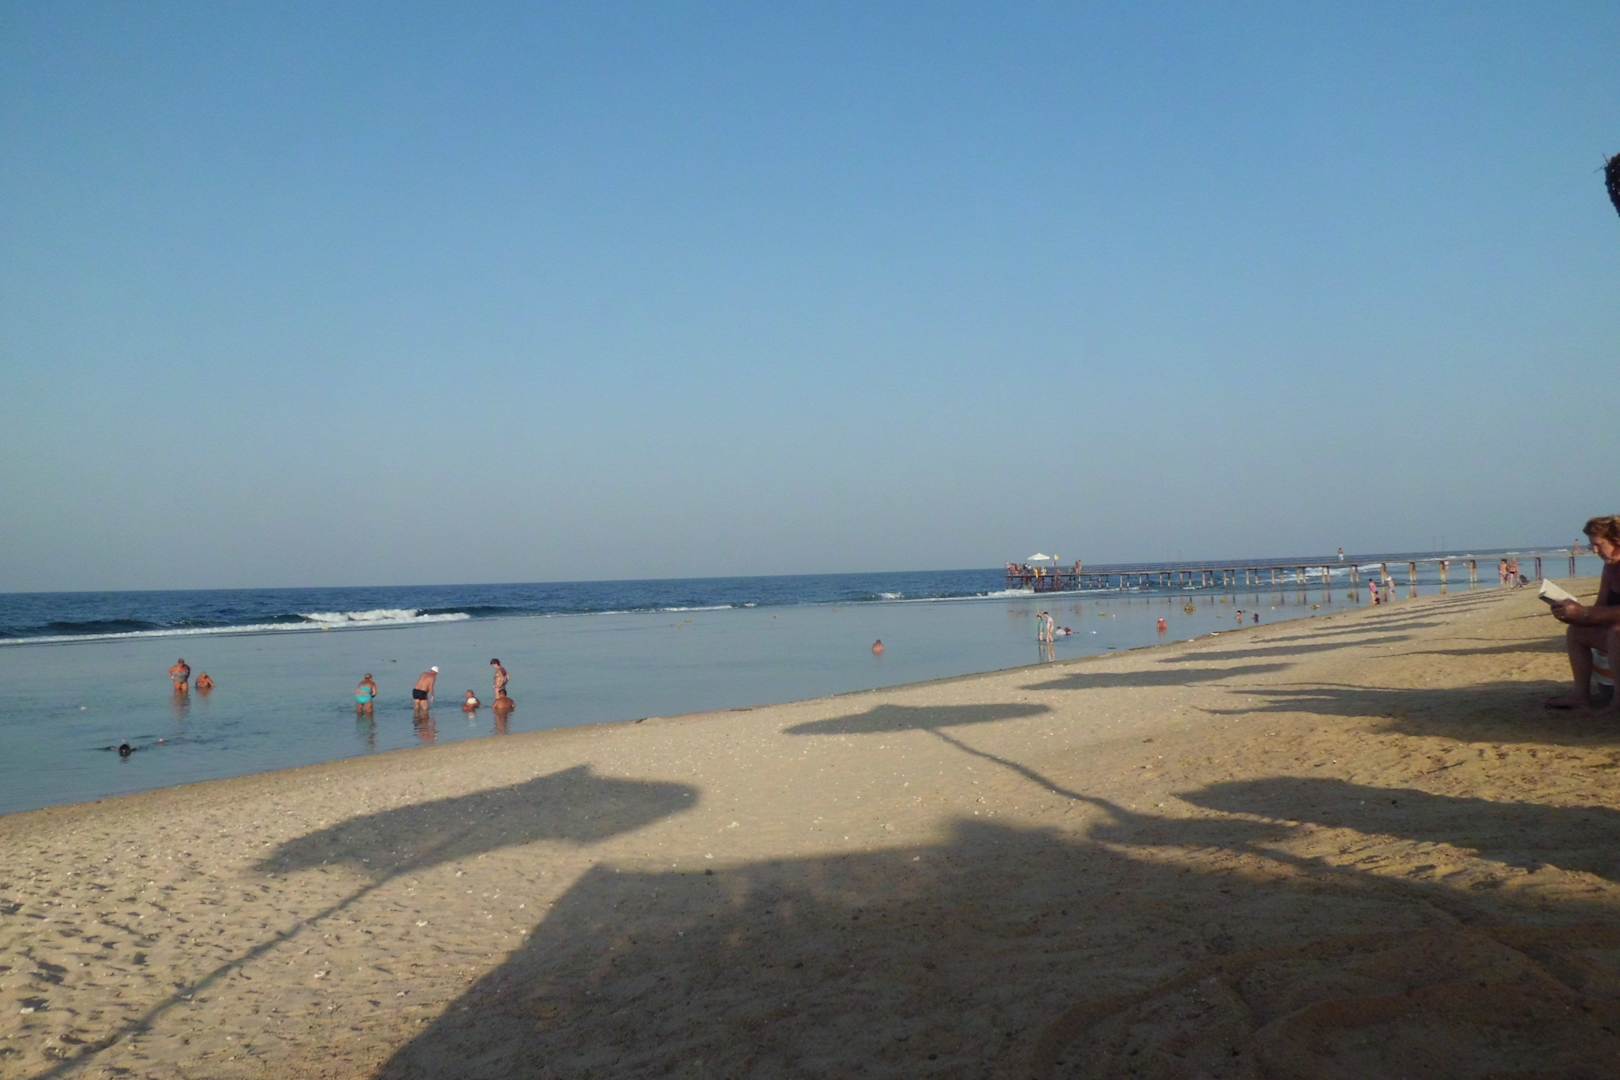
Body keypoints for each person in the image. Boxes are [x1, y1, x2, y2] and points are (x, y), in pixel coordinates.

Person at [1546, 515, 1620, 712]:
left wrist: (1585, 613)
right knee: (1576, 631)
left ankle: (1618, 701)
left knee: (1617, 632)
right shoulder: (1610, 568)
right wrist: (1574, 615)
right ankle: (1580, 696)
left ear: (1617, 541)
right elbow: (1600, 607)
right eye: (1592, 545)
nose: (1595, 551)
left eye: (1599, 545)